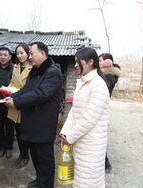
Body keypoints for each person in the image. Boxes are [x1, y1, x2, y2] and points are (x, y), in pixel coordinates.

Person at [5, 42, 63, 188]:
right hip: (32, 123)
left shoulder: (53, 72)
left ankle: (46, 184)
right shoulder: (35, 71)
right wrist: (11, 97)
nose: (29, 56)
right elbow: (26, 91)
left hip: (43, 125)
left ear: (42, 54)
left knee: (45, 158)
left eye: (31, 53)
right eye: (29, 53)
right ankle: (40, 180)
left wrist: (16, 102)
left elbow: (41, 94)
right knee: (36, 157)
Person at [60, 47, 110, 188]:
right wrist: (65, 131)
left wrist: (70, 137)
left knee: (88, 182)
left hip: (91, 146)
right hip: (80, 141)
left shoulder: (98, 85)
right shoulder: (83, 82)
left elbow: (89, 119)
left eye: (78, 62)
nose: (75, 65)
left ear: (90, 62)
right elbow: (74, 111)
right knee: (78, 180)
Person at [7, 44, 32, 168]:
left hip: (25, 104)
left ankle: (25, 157)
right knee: (18, 131)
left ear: (28, 53)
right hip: (14, 103)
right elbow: (12, 82)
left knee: (24, 133)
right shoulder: (16, 67)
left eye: (22, 53)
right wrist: (8, 91)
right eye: (17, 53)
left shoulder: (32, 68)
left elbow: (31, 88)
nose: (20, 55)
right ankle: (22, 155)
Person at [99, 52, 121, 171]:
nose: (99, 62)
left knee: (99, 138)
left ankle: (105, 164)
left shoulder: (110, 75)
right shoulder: (105, 73)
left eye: (101, 60)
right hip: (100, 107)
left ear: (108, 62)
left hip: (102, 109)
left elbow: (104, 89)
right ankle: (104, 163)